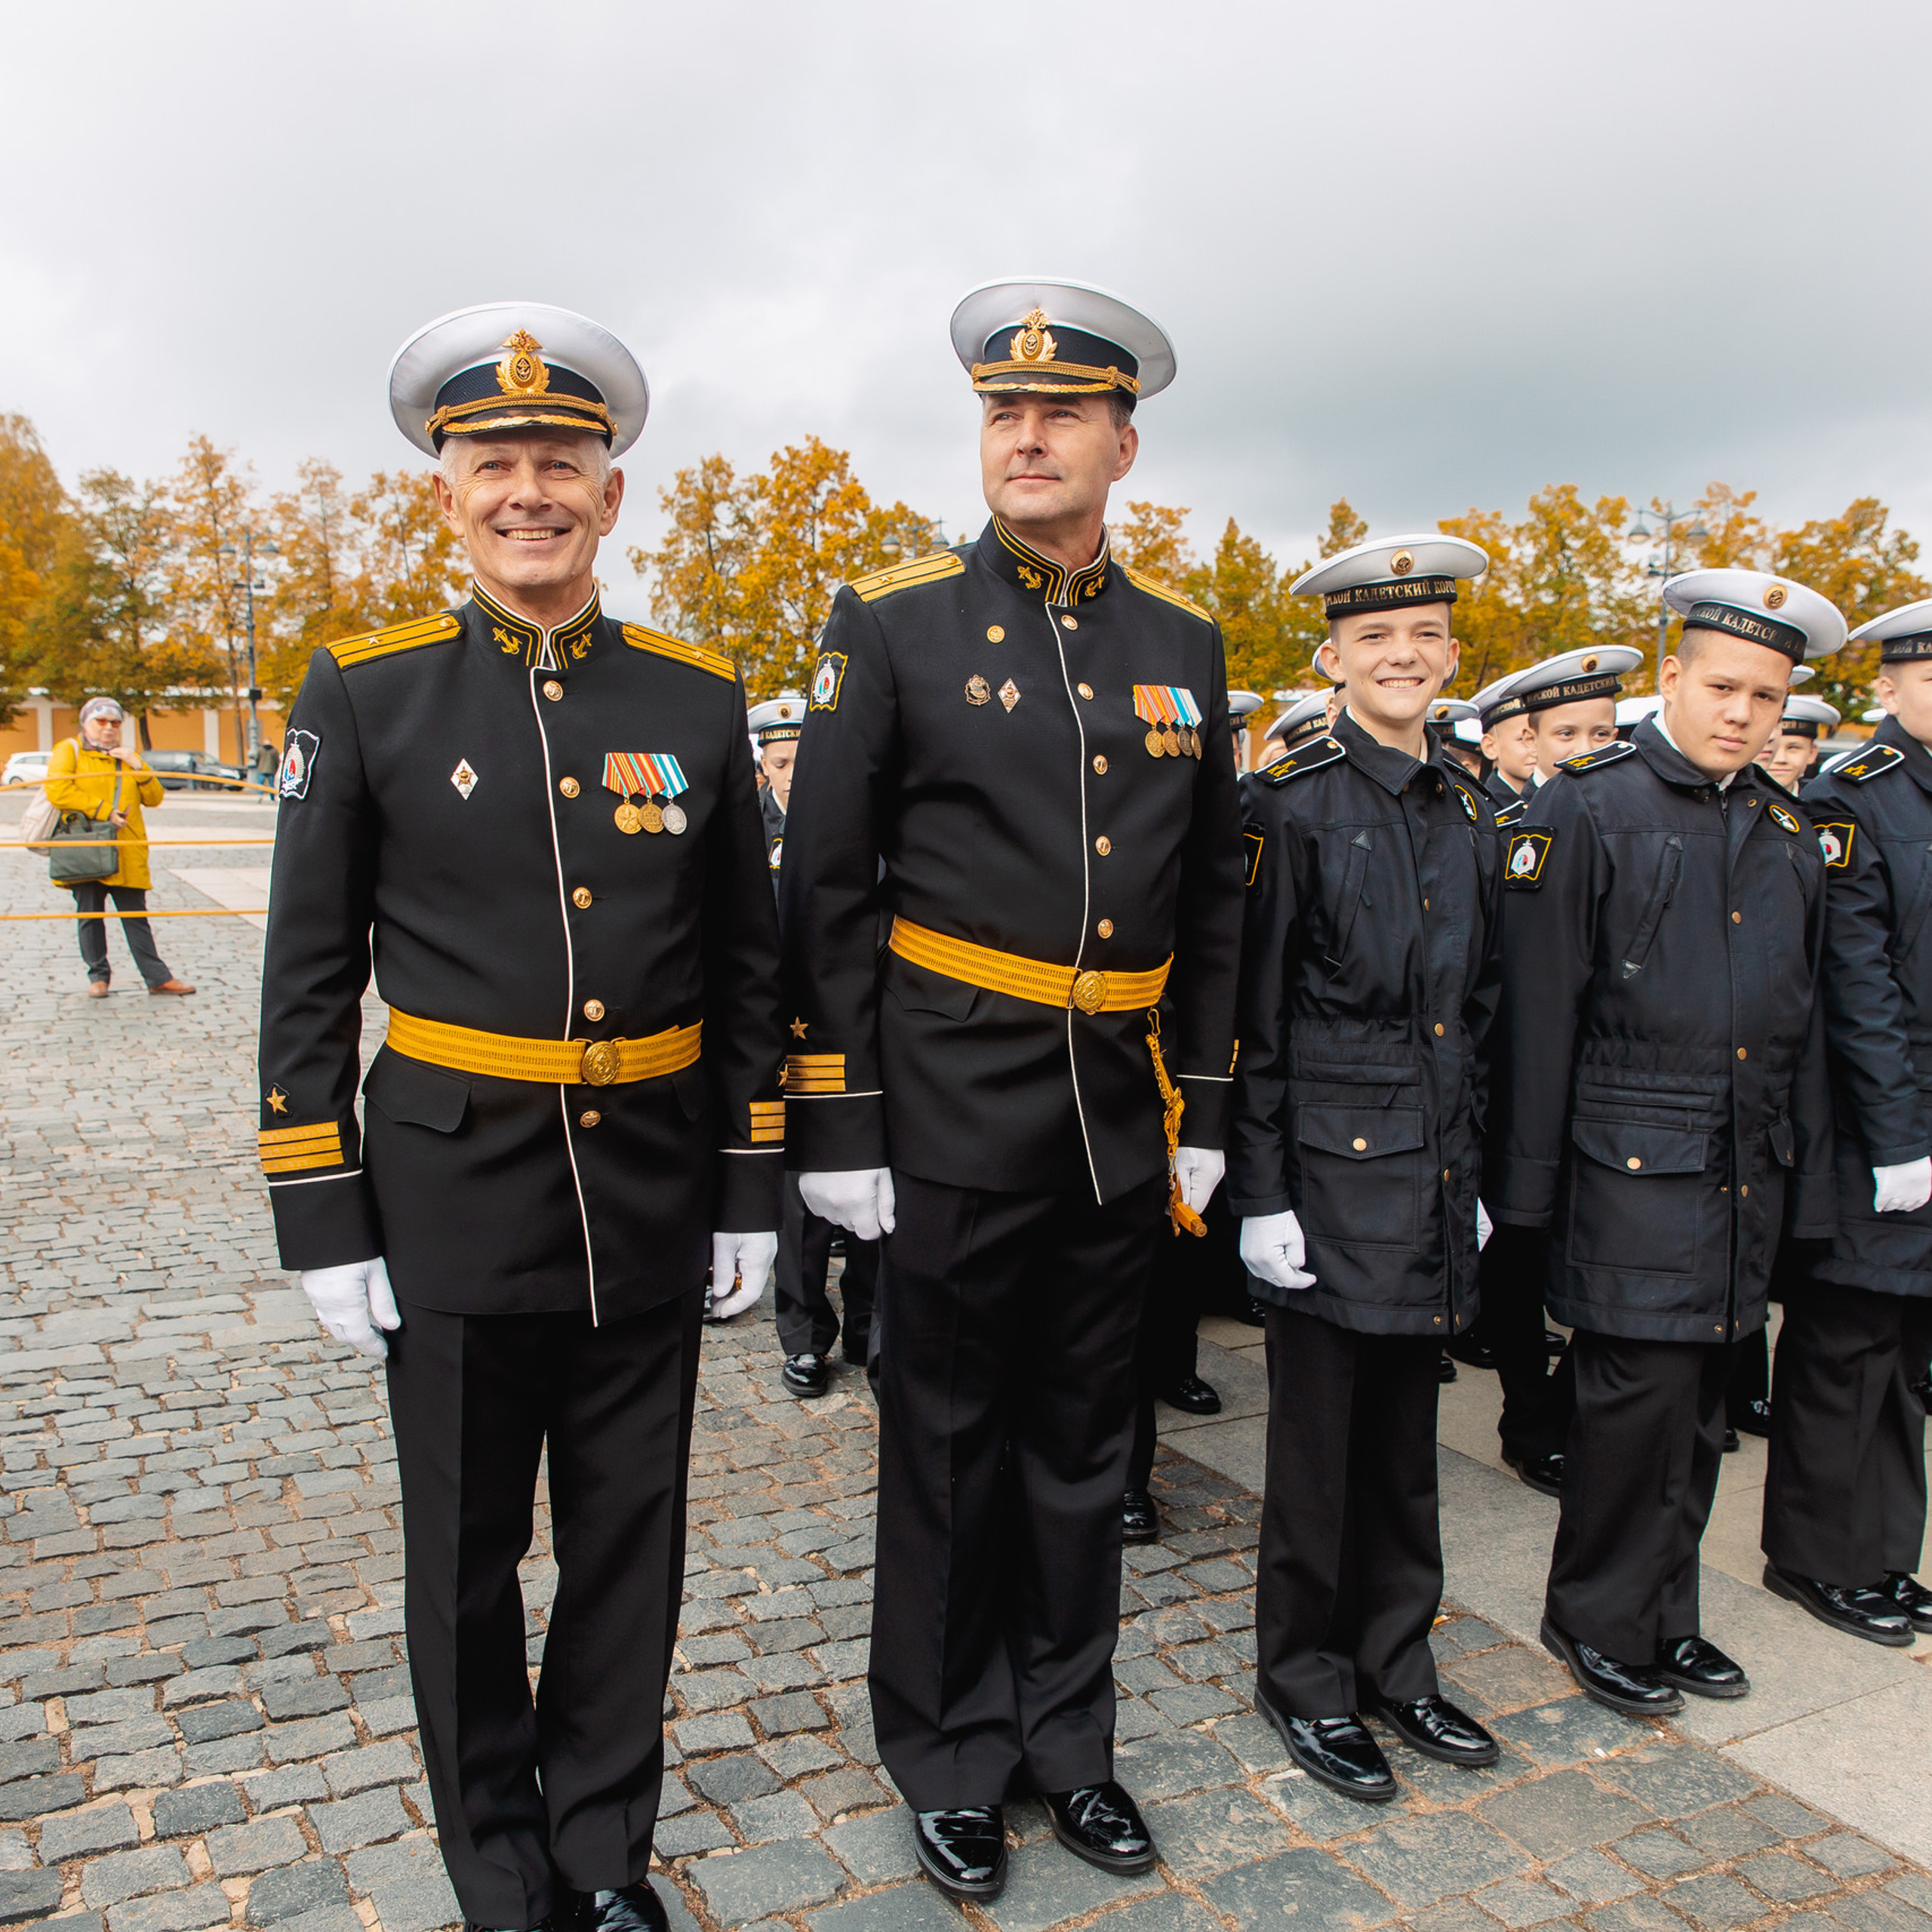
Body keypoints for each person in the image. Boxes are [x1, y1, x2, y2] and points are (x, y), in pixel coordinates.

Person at [258, 303, 783, 1932]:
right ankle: (500, 1867)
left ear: (611, 495)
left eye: (562, 462)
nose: (528, 492)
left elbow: (748, 961)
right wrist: (319, 1208)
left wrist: (749, 1179)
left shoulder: (696, 696)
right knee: (467, 1559)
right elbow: (306, 971)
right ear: (443, 494)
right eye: (494, 464)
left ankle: (602, 1849)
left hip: (646, 1193)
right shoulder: (366, 692)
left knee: (631, 1544)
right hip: (450, 1193)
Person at [779, 278, 1243, 1903]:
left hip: (1114, 1114)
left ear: (1123, 441)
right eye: (999, 411)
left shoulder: (1181, 641)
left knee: (1081, 1448)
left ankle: (1069, 1740)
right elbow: (821, 888)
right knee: (952, 1446)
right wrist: (834, 1119)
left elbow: (1209, 900)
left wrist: (1202, 1104)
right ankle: (954, 1748)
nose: (1024, 435)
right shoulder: (891, 620)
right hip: (947, 1099)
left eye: (1057, 414)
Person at [1487, 566, 1842, 1717]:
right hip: (1631, 1167)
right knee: (1630, 1413)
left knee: (1697, 1424)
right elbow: (1537, 1014)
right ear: (1674, 678)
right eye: (1724, 685)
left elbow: (1803, 1022)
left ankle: (1666, 1616)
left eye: (1768, 697)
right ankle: (1595, 1617)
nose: (1744, 713)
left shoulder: (1783, 826)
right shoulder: (1585, 806)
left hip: (1745, 1168)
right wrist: (1526, 1200)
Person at [1231, 533, 1504, 1804]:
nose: (1404, 657)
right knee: (1320, 1452)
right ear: (1332, 658)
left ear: (1451, 657)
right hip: (1330, 1183)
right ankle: (1306, 1678)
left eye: (1425, 638)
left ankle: (1398, 1663)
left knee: (1408, 1444)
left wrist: (1483, 1168)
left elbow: (1482, 1007)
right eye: (1376, 639)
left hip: (1432, 1171)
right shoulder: (1287, 809)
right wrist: (1265, 1193)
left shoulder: (1469, 802)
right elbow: (1258, 1020)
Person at [1761, 599, 1932, 1646]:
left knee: (1908, 1355)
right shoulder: (1854, 799)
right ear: (1889, 688)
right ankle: (1817, 1558)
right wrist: (1905, 1138)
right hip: (1876, 1131)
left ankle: (1884, 1555)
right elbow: (1859, 987)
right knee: (1845, 1349)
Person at [1121, 691, 1263, 1543]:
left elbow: (1214, 939)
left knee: (1135, 1294)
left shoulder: (1189, 820)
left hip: (1153, 1062)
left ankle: (1126, 1472)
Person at [751, 691, 879, 1391]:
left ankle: (868, 1327)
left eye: (805, 758)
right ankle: (803, 1336)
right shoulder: (747, 833)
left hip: (855, 1028)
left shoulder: (857, 823)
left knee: (868, 1184)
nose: (795, 772)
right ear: (764, 768)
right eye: (782, 761)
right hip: (780, 1036)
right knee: (794, 1197)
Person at [43, 697, 195, 998]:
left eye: (115, 722)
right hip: (86, 847)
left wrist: (138, 766)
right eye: (101, 721)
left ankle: (157, 978)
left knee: (136, 917)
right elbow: (58, 789)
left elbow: (154, 798)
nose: (109, 727)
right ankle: (98, 977)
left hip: (126, 848)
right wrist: (103, 811)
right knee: (89, 915)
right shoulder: (69, 750)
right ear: (86, 723)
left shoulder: (128, 756)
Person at [1469, 671, 1539, 809]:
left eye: (1538, 738)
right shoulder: (1480, 810)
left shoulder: (1556, 800)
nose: (1535, 749)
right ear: (1490, 747)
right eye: (1523, 739)